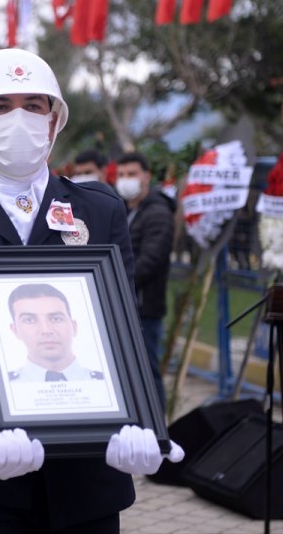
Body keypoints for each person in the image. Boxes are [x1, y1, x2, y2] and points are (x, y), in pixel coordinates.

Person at [0, 48, 183, 534]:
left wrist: (140, 417)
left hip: (86, 473)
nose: (19, 119)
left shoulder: (99, 209)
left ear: (54, 123)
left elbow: (119, 326)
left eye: (34, 105)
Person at [115, 152, 175, 409]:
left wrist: (116, 283)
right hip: (125, 304)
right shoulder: (125, 211)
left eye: (131, 174)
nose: (125, 180)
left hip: (144, 309)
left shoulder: (158, 213)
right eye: (121, 175)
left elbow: (150, 261)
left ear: (146, 177)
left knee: (148, 374)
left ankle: (157, 433)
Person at [5, 283, 103, 383]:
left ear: (74, 327)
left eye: (56, 319)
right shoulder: (2, 385)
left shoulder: (107, 383)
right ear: (15, 330)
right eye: (29, 320)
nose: (46, 330)